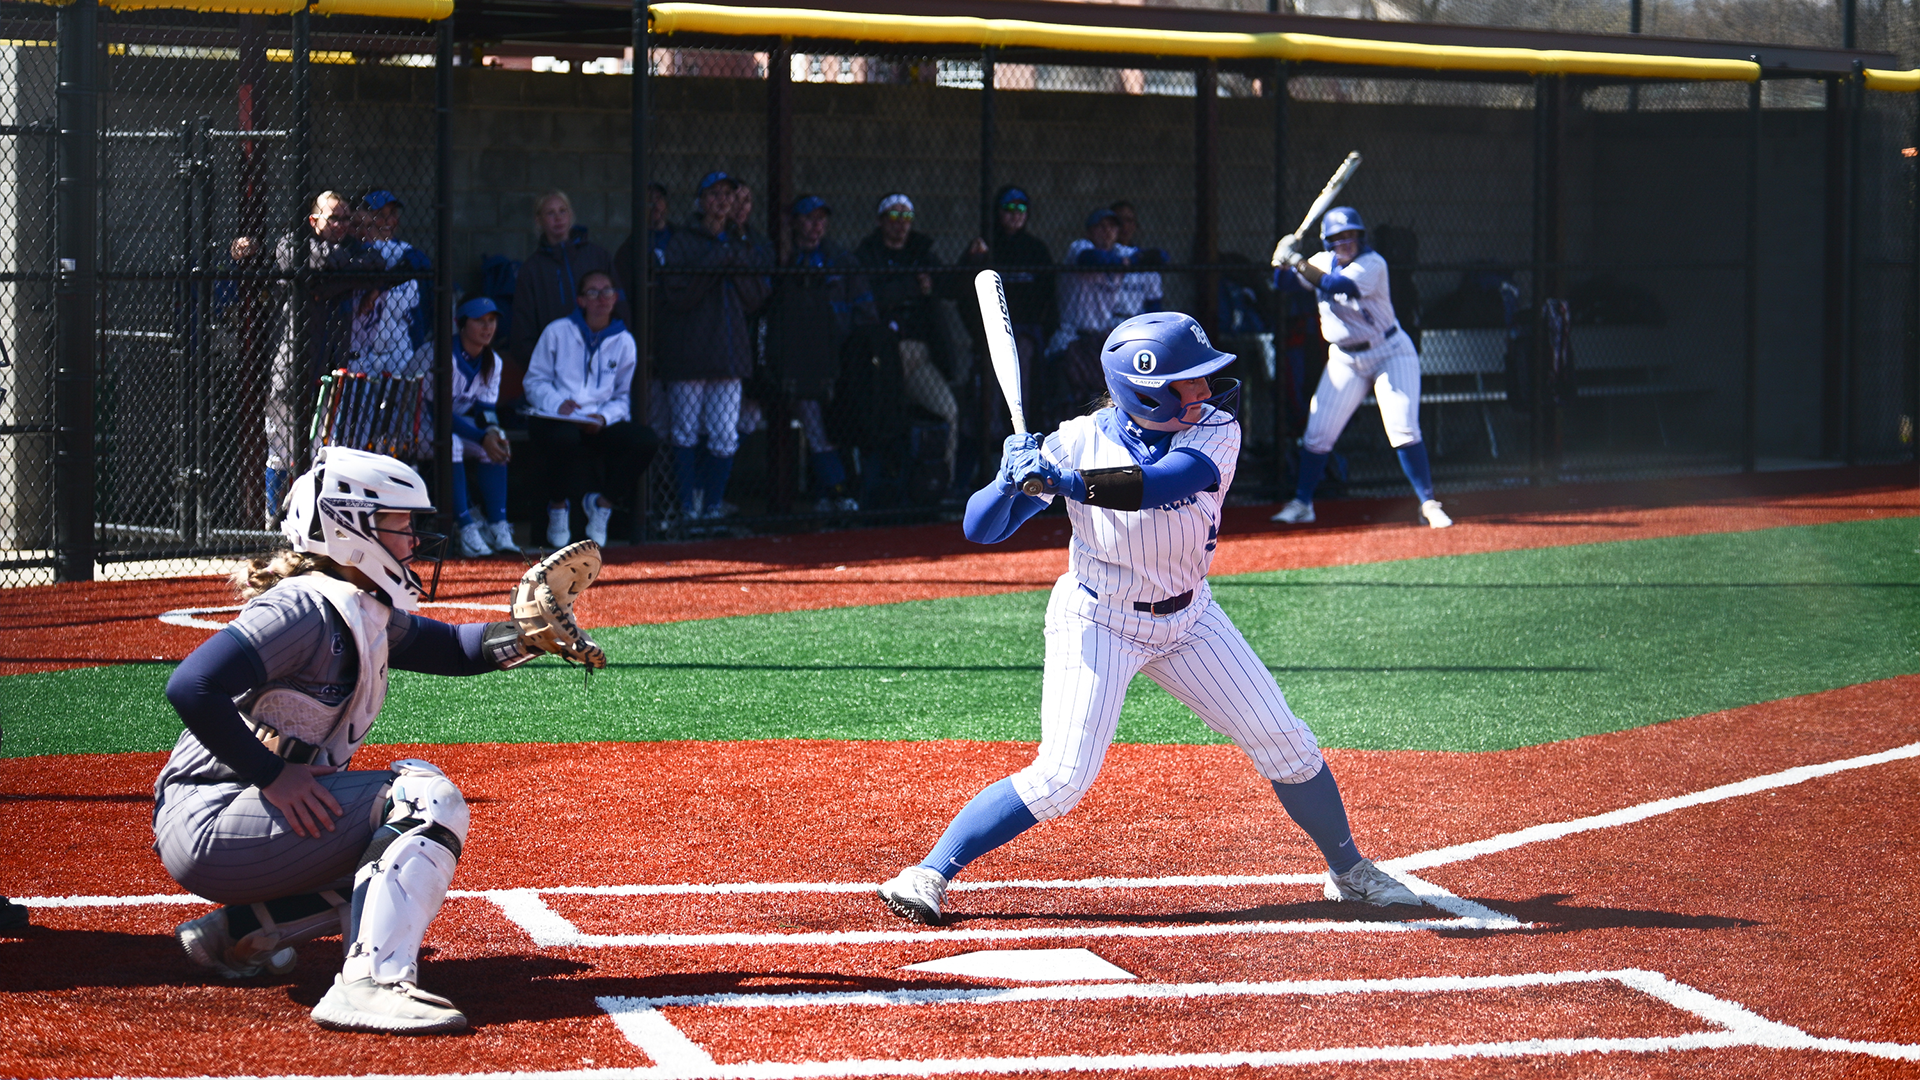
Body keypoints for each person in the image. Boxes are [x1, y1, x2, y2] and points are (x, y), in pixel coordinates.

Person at [875, 311, 1424, 925]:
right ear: (1146, 392)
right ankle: (928, 872)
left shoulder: (1215, 432)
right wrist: (1009, 482)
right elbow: (982, 529)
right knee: (1061, 778)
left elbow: (1160, 483)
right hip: (1098, 619)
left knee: (1286, 742)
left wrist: (1064, 480)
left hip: (1190, 619)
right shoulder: (1075, 440)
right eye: (1188, 382)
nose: (1206, 391)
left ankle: (1350, 871)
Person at [155, 447, 551, 1033]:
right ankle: (370, 985)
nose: (415, 539)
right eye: (403, 524)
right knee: (423, 801)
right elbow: (191, 684)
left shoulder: (356, 605)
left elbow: (450, 649)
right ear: (352, 528)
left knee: (394, 849)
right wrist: (273, 773)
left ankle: (239, 932)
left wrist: (530, 635)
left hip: (241, 814)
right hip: (212, 814)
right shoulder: (304, 608)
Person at [1269, 207, 1451, 529]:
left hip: (1389, 351)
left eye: (1350, 235)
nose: (1345, 243)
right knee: (1317, 434)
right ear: (1328, 242)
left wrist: (1296, 260)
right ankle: (1302, 503)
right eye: (1338, 238)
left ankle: (1428, 503)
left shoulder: (1373, 263)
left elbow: (1339, 287)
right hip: (1345, 359)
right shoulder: (1322, 261)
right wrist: (1278, 260)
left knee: (1403, 426)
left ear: (1360, 236)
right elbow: (1284, 283)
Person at [262, 191, 385, 524]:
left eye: (346, 219)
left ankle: (309, 519)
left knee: (322, 448)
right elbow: (313, 266)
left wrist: (330, 280)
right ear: (314, 220)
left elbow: (378, 264)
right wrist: (347, 279)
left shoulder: (352, 248)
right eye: (334, 219)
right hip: (292, 361)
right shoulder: (293, 242)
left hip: (332, 361)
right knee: (282, 447)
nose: (342, 226)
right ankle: (274, 519)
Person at [657, 171, 772, 521]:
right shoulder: (682, 241)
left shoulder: (742, 242)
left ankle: (711, 506)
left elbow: (757, 298)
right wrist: (714, 262)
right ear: (701, 200)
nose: (721, 200)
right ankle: (687, 507)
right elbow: (677, 295)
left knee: (724, 434)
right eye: (714, 194)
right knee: (685, 432)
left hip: (729, 352)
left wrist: (732, 261)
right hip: (690, 353)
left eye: (728, 194)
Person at [523, 269, 653, 548]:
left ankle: (602, 504)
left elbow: (621, 397)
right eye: (592, 292)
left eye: (607, 291)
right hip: (557, 418)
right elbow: (534, 381)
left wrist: (603, 418)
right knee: (563, 439)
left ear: (615, 298)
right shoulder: (557, 331)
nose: (601, 298)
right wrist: (559, 404)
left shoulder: (624, 341)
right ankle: (557, 508)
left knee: (645, 440)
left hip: (597, 422)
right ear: (581, 300)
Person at [763, 194, 872, 510]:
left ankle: (840, 492)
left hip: (840, 360)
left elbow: (865, 312)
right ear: (795, 223)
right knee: (815, 428)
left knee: (839, 427)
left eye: (821, 219)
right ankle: (836, 493)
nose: (815, 226)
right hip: (800, 363)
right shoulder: (784, 258)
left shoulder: (841, 259)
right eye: (809, 219)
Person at [854, 192, 960, 494]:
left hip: (920, 355)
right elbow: (871, 299)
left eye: (907, 217)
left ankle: (941, 486)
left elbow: (949, 286)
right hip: (883, 356)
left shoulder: (921, 252)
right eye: (894, 216)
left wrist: (970, 261)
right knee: (884, 421)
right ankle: (880, 491)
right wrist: (912, 286)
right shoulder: (867, 254)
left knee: (948, 411)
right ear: (880, 220)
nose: (901, 224)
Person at [421, 297, 517, 557]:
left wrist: (492, 433)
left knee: (497, 441)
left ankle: (498, 524)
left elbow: (486, 410)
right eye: (479, 321)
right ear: (460, 324)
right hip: (414, 421)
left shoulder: (493, 361)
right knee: (453, 443)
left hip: (455, 423)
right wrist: (480, 435)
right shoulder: (440, 353)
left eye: (491, 321)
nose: (487, 328)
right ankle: (466, 527)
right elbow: (436, 414)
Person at [960, 185, 1054, 440]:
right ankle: (990, 429)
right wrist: (973, 259)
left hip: (1026, 331)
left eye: (1021, 208)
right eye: (1008, 209)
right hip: (990, 332)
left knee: (1023, 355)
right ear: (997, 213)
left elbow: (1049, 298)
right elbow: (960, 292)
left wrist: (1041, 331)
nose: (1015, 215)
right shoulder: (985, 246)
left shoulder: (1036, 249)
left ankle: (1020, 427)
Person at [507, 190, 628, 369]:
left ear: (571, 215)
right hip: (556, 366)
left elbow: (620, 306)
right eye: (550, 213)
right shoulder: (531, 270)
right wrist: (545, 365)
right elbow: (522, 327)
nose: (558, 218)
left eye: (562, 211)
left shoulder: (597, 256)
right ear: (538, 221)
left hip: (601, 359)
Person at [1050, 207, 1135, 417]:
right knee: (1072, 402)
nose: (1107, 232)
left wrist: (1131, 259)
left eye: (1112, 227)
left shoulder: (1119, 252)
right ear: (1090, 231)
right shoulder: (1080, 247)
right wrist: (1124, 262)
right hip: (1071, 337)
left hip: (1099, 340)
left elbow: (1160, 256)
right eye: (1101, 227)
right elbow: (1089, 259)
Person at [348, 190, 431, 376]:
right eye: (379, 216)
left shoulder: (405, 252)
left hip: (399, 354)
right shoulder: (352, 253)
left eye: (392, 214)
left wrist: (380, 287)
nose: (388, 221)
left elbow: (422, 262)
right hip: (359, 355)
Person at [1109, 200, 1167, 319]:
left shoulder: (1145, 259)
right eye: (1119, 221)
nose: (1124, 226)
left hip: (1136, 321)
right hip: (1107, 324)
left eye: (1129, 221)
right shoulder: (1103, 255)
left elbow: (1154, 303)